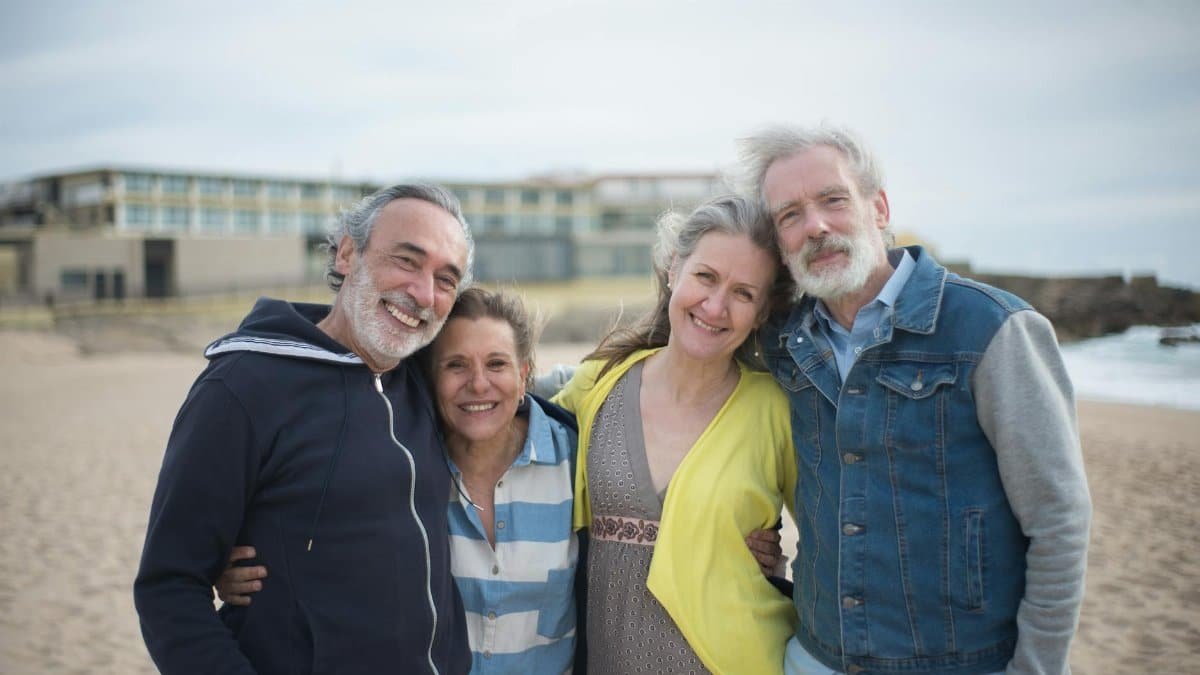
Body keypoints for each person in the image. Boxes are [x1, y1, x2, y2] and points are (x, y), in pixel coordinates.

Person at [216, 285, 787, 673]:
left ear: (525, 375)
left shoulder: (577, 453)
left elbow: (649, 494)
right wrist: (248, 558)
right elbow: (322, 522)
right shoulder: (400, 468)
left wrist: (737, 544)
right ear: (429, 377)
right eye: (455, 366)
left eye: (496, 365)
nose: (478, 385)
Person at [737, 123, 1092, 675]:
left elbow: (1059, 519)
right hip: (815, 658)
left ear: (878, 208)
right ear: (779, 244)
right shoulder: (781, 341)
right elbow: (690, 371)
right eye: (790, 215)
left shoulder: (993, 328)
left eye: (833, 200)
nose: (816, 226)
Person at [133, 184, 475, 674]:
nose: (423, 293)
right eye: (406, 260)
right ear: (347, 254)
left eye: (446, 280)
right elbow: (168, 588)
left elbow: (507, 395)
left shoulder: (423, 380)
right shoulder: (242, 387)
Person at [552, 194, 800, 673]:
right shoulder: (599, 384)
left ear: (763, 312)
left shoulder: (775, 410)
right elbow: (509, 446)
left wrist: (778, 572)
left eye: (744, 293)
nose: (715, 305)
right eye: (705, 277)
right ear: (673, 270)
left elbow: (836, 537)